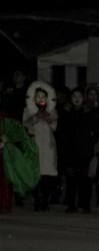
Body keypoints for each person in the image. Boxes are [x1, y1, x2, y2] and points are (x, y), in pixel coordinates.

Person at [58, 87, 99, 213]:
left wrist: (89, 142)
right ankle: (71, 204)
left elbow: (97, 131)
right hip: (70, 151)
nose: (77, 99)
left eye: (79, 96)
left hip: (84, 151)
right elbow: (61, 131)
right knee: (71, 179)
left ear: (83, 99)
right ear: (71, 99)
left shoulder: (89, 112)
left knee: (85, 179)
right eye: (74, 96)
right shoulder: (65, 112)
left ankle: (85, 204)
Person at [22, 81, 59, 211]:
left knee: (47, 174)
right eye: (38, 96)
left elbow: (54, 127)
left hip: (48, 146)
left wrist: (48, 118)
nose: (41, 99)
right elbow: (25, 125)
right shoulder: (28, 109)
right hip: (34, 144)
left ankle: (45, 199)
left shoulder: (52, 110)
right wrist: (35, 117)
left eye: (43, 96)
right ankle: (37, 199)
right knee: (35, 173)